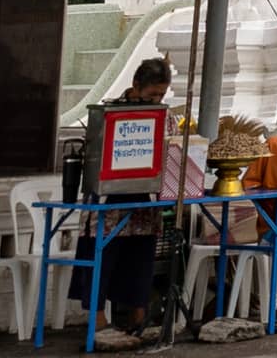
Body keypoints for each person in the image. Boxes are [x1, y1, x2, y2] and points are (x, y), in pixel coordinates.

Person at [77, 57, 176, 349]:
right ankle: (98, 321)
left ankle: (138, 316)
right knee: (103, 257)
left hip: (144, 198)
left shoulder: (163, 116)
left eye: (161, 95)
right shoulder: (112, 112)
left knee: (140, 256)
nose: (156, 100)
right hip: (109, 195)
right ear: (136, 87)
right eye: (152, 95)